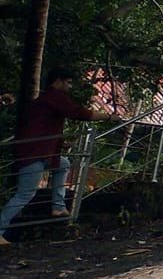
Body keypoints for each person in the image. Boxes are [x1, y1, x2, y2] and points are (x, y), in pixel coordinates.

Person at [0, 67, 112, 243]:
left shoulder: (43, 101)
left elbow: (42, 129)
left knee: (64, 164)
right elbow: (78, 113)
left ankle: (58, 207)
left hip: (40, 152)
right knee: (25, 194)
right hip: (34, 154)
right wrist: (108, 117)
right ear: (58, 81)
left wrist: (60, 144)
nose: (70, 86)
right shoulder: (53, 97)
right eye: (68, 82)